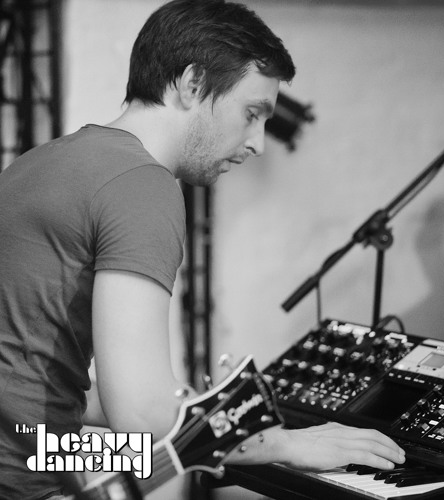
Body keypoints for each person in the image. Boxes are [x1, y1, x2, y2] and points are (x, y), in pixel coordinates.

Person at [0, 1, 405, 498]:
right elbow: (142, 415)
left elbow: (51, 397)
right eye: (251, 114)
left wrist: (199, 418)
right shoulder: (140, 185)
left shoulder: (36, 164)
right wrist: (278, 443)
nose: (257, 143)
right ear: (192, 83)